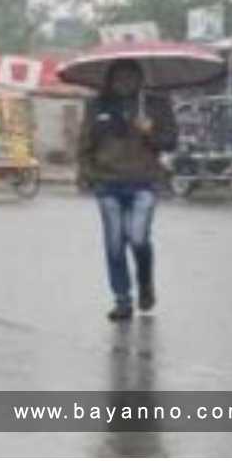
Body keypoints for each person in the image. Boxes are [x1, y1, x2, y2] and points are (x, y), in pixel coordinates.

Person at [77, 59, 177, 321]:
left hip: (144, 182)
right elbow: (84, 145)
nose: (124, 82)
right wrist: (89, 175)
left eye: (130, 77)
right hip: (108, 183)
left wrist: (150, 132)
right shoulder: (96, 106)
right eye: (118, 77)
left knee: (138, 238)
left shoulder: (156, 105)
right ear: (109, 80)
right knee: (114, 245)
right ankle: (122, 299)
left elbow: (170, 142)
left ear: (140, 79)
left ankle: (145, 284)